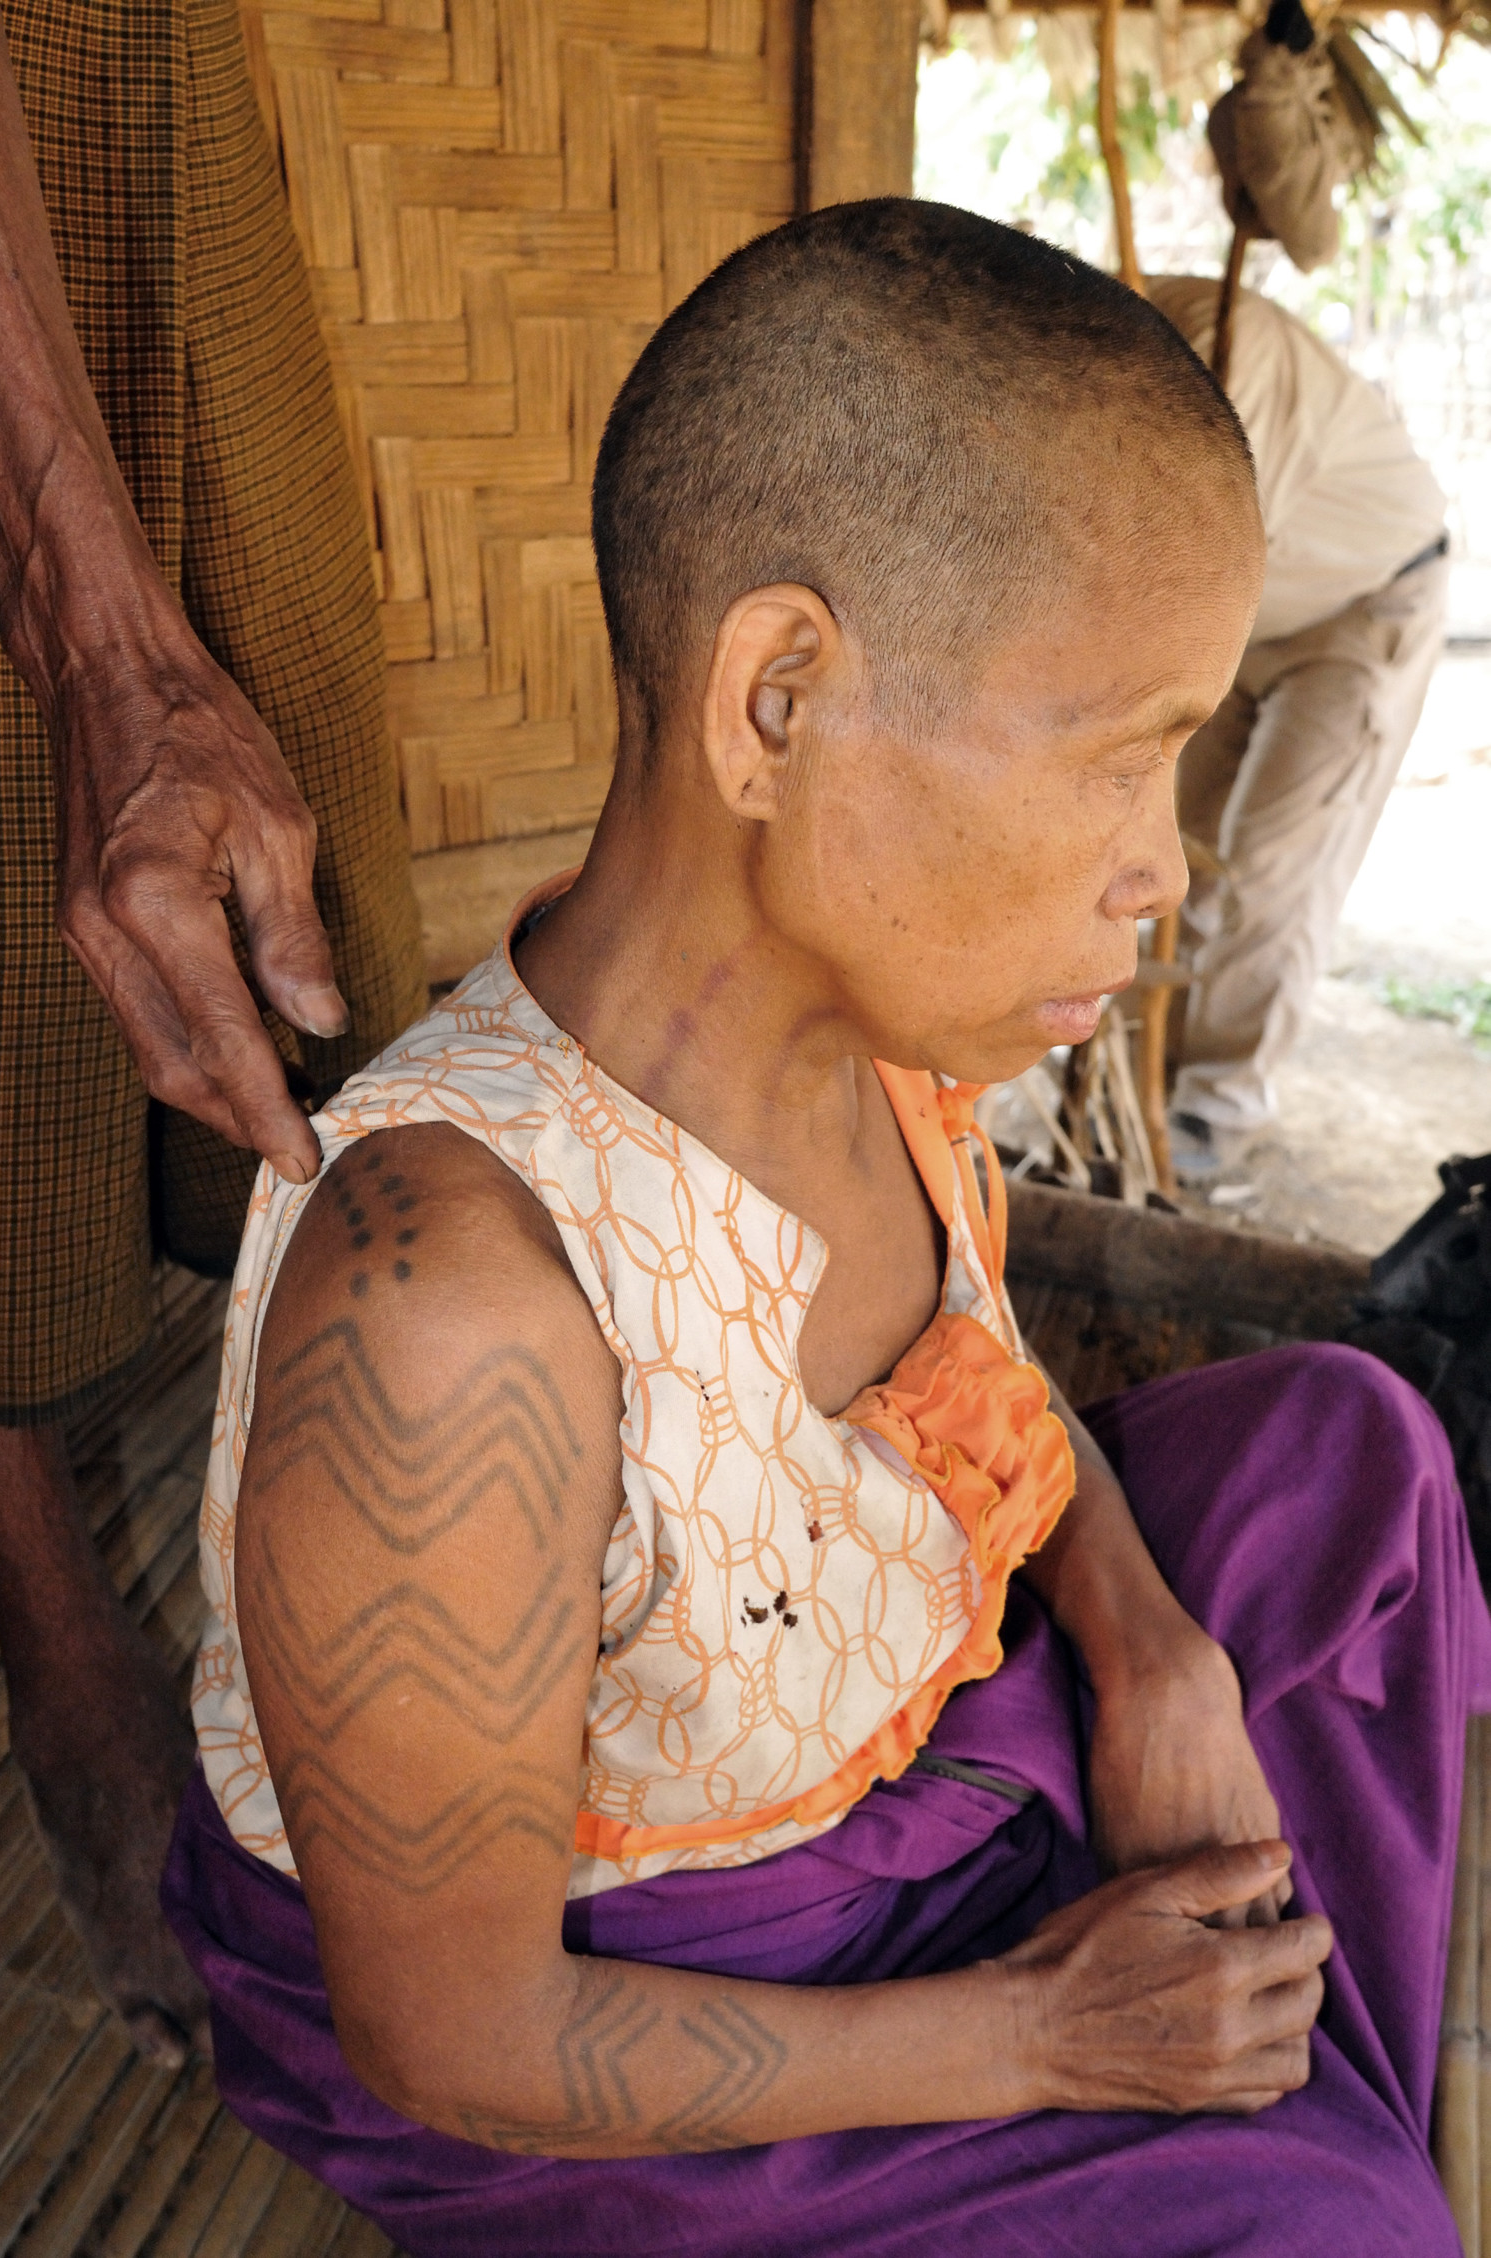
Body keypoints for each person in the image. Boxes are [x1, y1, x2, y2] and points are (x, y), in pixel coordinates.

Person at [164, 203, 1484, 2255]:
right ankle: (1235, 2120)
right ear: (777, 699)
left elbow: (987, 1386)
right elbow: (458, 2037)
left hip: (898, 1747)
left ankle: (1238, 2082)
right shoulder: (449, 1306)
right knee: (1337, 2227)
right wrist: (1043, 2035)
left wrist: (1145, 1656)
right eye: (1127, 753)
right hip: (645, 1979)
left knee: (1353, 1449)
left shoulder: (886, 1048)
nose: (1164, 863)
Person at [0, 0, 424, 2064]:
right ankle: (52, 1613)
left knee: (289, 765)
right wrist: (99, 631)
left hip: (125, 53)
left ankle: (351, 1556)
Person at [1145, 275, 1449, 1180]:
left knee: (1269, 863)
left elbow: (1200, 567)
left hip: (1360, 608)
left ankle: (1214, 1108)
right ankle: (1152, 1075)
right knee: (1181, 850)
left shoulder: (1228, 354)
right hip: (1247, 617)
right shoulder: (1091, 362)